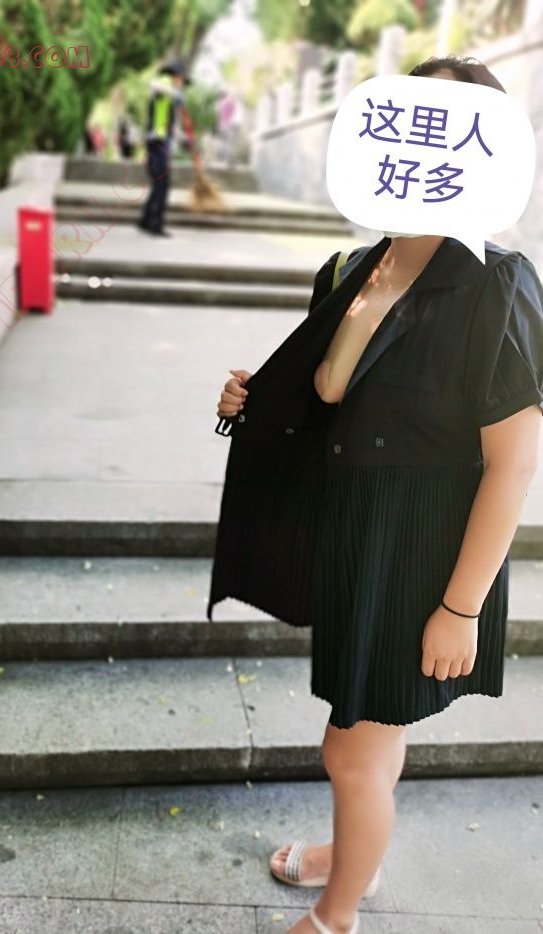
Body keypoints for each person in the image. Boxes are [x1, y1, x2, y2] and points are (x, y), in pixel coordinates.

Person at [210, 55, 543, 934]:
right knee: (369, 734)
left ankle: (336, 914)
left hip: (426, 549)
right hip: (358, 535)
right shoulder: (351, 267)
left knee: (351, 750)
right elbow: (328, 392)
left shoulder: (498, 284)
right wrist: (254, 399)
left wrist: (461, 608)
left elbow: (514, 464)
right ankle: (353, 852)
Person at [137, 58, 190, 237]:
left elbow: (168, 124)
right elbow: (154, 85)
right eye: (182, 80)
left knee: (159, 184)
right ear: (177, 76)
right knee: (162, 184)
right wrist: (175, 93)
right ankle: (155, 225)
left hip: (159, 142)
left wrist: (183, 139)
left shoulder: (169, 98)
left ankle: (145, 220)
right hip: (156, 143)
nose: (182, 84)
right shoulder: (165, 83)